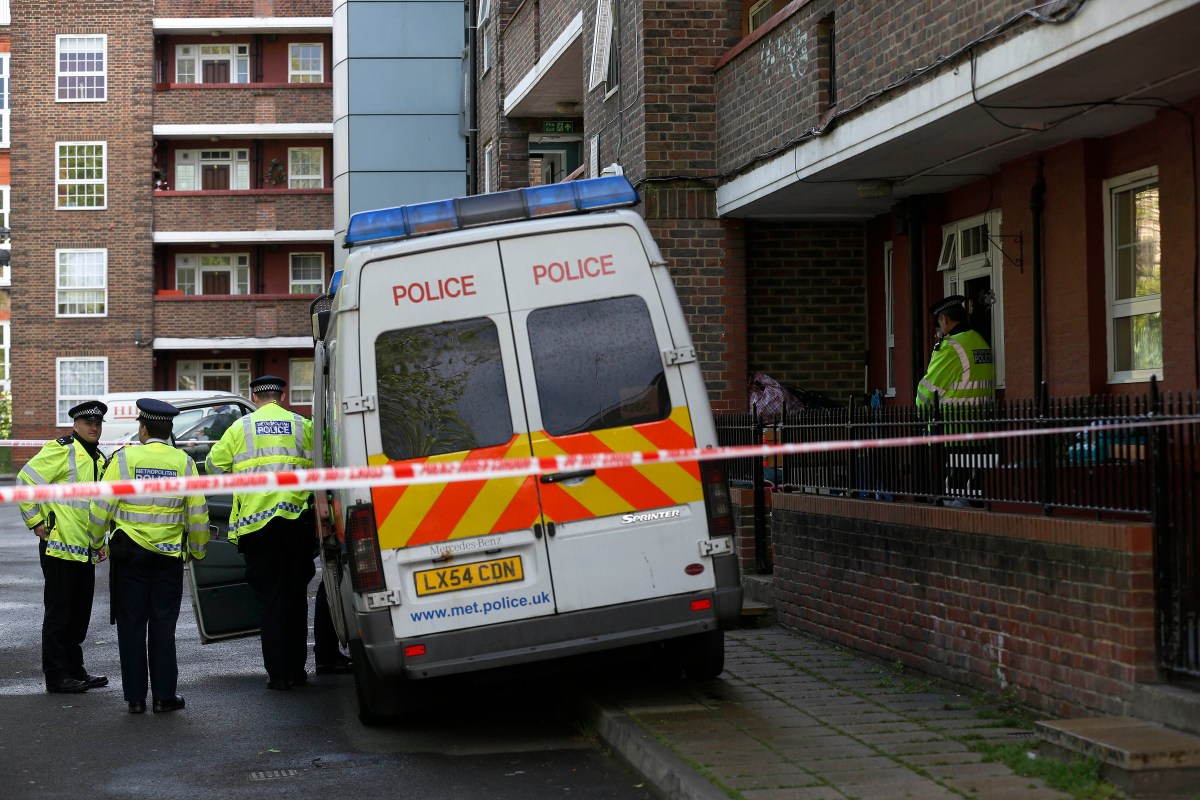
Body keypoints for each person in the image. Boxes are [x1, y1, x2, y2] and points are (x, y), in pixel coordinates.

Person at [88, 398, 210, 714]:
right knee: (162, 626)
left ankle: (135, 699)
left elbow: (102, 506)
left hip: (129, 557)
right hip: (168, 558)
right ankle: (164, 697)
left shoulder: (124, 460)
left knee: (130, 625)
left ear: (143, 429)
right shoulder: (183, 462)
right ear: (169, 430)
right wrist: (197, 549)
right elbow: (197, 514)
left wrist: (95, 540)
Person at [205, 375, 319, 689]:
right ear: (281, 396)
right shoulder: (301, 425)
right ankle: (297, 671)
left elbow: (215, 466)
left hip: (257, 527)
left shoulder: (240, 428)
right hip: (297, 522)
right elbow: (321, 464)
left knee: (270, 602)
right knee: (296, 597)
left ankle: (279, 675)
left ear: (254, 396)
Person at [18, 400, 110, 695]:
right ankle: (56, 675)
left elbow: (97, 507)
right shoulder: (62, 449)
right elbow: (25, 480)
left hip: (84, 548)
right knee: (59, 613)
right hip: (59, 546)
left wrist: (100, 542)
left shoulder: (99, 458)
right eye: (88, 423)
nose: (93, 428)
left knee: (79, 613)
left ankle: (74, 669)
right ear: (75, 425)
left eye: (97, 424)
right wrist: (35, 521)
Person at [915, 295, 996, 505]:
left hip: (951, 429)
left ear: (944, 320)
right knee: (973, 491)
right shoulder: (979, 340)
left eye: (939, 324)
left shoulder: (950, 346)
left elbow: (929, 389)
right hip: (979, 426)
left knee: (948, 494)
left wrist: (921, 416)